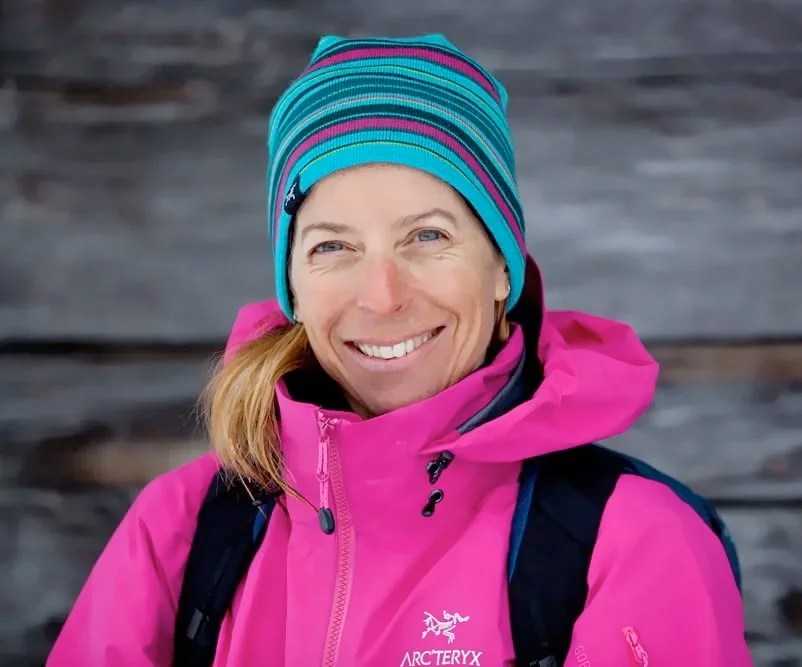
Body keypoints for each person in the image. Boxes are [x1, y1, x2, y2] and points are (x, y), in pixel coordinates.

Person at [47, 34, 752, 667]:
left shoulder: (632, 543)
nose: (381, 296)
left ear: (503, 265)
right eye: (332, 246)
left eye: (428, 236)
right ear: (291, 283)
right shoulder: (182, 527)